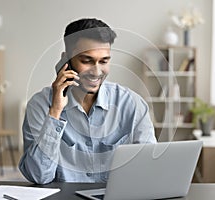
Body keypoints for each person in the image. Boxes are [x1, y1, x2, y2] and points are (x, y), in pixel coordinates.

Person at [19, 18, 156, 184]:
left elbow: (149, 170)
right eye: (86, 60)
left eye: (104, 61)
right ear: (66, 61)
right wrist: (55, 113)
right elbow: (38, 176)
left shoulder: (132, 104)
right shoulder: (40, 105)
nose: (96, 72)